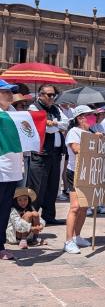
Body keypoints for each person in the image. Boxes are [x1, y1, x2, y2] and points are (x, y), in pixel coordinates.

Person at [27, 84, 68, 225]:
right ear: (40, 95)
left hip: (55, 153)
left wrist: (53, 123)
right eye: (49, 95)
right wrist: (53, 125)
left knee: (52, 187)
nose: (52, 97)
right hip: (41, 154)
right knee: (38, 188)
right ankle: (32, 218)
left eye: (53, 95)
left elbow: (66, 123)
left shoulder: (56, 108)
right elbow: (45, 129)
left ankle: (49, 216)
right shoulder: (34, 108)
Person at [64, 105, 96, 254]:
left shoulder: (90, 132)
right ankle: (68, 241)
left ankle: (77, 236)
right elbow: (76, 149)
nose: (92, 118)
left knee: (84, 207)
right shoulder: (74, 132)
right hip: (75, 172)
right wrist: (93, 141)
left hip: (87, 173)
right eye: (89, 115)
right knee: (75, 207)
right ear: (80, 118)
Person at [0, 80, 22, 260]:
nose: (10, 94)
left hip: (13, 168)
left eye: (11, 91)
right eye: (5, 91)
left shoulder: (15, 113)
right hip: (0, 167)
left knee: (5, 208)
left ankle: (0, 245)